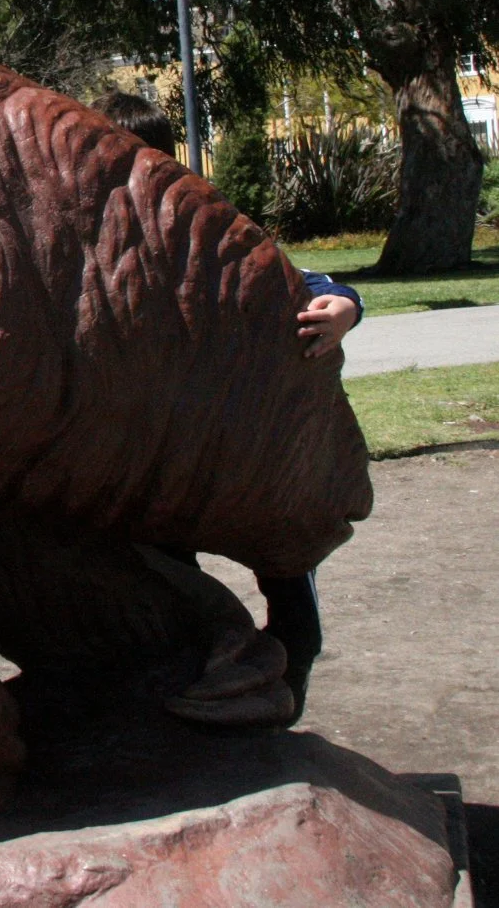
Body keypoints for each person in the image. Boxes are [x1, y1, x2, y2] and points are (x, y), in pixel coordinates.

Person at [90, 90, 362, 720]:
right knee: (168, 588)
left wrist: (344, 304)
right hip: (152, 455)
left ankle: (282, 713)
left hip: (241, 446)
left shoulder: (207, 225)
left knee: (291, 597)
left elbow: (299, 281)